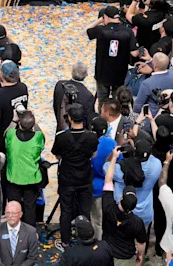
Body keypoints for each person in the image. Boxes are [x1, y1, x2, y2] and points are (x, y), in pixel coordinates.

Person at [52, 103, 99, 247]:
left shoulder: (62, 137)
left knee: (66, 211)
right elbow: (93, 155)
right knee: (85, 210)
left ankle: (65, 242)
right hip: (84, 178)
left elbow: (57, 156)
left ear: (70, 118)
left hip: (67, 179)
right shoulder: (92, 136)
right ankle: (84, 239)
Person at [100, 146, 147, 266]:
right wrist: (140, 257)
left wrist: (114, 157)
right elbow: (141, 243)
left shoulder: (108, 208)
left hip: (106, 254)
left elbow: (108, 180)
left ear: (121, 198)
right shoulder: (137, 222)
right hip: (125, 258)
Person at [88, 5, 139, 100]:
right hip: (119, 73)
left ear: (106, 17)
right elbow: (135, 53)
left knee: (102, 99)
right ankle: (116, 113)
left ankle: (103, 113)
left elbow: (88, 30)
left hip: (102, 72)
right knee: (118, 98)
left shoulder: (101, 30)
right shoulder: (128, 32)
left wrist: (100, 21)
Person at [4, 111, 45, 227]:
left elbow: (5, 134)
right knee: (30, 207)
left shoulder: (11, 135)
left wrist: (14, 120)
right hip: (31, 178)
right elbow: (41, 135)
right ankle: (30, 232)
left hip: (14, 177)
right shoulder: (38, 137)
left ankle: (13, 229)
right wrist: (33, 122)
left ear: (19, 124)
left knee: (13, 206)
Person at [0, 200, 39, 266]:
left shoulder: (31, 231)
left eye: (14, 213)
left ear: (20, 214)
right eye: (7, 213)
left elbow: (33, 257)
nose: (10, 216)